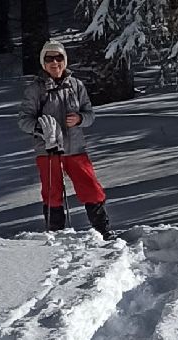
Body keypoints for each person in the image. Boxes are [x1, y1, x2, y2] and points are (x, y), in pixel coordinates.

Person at [17, 40, 112, 237]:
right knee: (52, 193)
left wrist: (79, 119)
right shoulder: (35, 89)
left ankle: (103, 231)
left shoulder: (76, 85)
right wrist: (41, 128)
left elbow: (90, 115)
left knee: (91, 189)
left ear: (65, 60)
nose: (55, 62)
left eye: (59, 57)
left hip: (75, 148)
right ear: (43, 63)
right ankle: (55, 234)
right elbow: (23, 121)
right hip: (48, 149)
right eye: (49, 58)